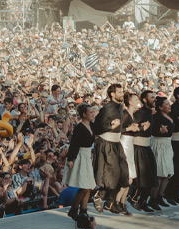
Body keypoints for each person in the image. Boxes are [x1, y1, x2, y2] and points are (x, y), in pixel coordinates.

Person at [92, 83, 128, 212]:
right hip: (107, 144)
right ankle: (99, 196)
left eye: (122, 91)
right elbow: (97, 127)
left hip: (117, 144)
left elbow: (119, 127)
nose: (122, 94)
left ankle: (110, 202)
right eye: (119, 92)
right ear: (112, 94)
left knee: (124, 175)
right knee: (111, 176)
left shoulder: (119, 107)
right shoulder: (107, 108)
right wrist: (111, 126)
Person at [64, 103, 97, 221]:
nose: (93, 114)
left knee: (89, 186)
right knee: (84, 186)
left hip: (88, 156)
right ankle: (73, 210)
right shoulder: (79, 127)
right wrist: (71, 159)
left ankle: (83, 210)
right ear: (84, 114)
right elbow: (74, 144)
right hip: (80, 156)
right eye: (91, 112)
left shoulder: (92, 125)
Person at [130, 90, 157, 212]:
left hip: (146, 146)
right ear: (145, 100)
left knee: (151, 176)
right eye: (152, 97)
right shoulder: (140, 113)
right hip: (139, 147)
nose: (155, 99)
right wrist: (142, 128)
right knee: (143, 177)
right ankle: (135, 198)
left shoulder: (150, 113)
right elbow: (133, 129)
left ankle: (142, 201)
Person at [149, 95, 174, 210]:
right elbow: (154, 130)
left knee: (167, 173)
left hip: (167, 145)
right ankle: (152, 198)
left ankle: (159, 196)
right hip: (159, 144)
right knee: (159, 174)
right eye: (167, 104)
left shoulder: (169, 116)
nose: (169, 106)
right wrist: (160, 131)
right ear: (160, 107)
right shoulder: (156, 118)